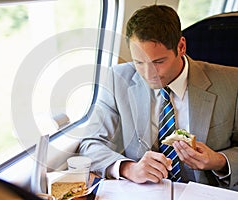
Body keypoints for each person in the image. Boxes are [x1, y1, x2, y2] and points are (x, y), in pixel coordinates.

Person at [79, 4, 238, 190]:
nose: (148, 74)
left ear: (181, 47)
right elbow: (90, 144)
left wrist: (219, 161)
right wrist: (129, 168)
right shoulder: (117, 79)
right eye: (139, 62)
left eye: (158, 62)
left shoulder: (232, 82)